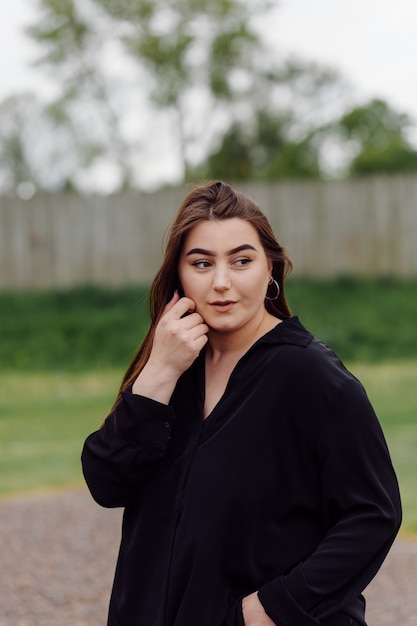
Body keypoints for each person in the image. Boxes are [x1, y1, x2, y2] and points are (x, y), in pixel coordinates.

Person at [81, 180, 401, 626]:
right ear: (177, 274)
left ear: (269, 268)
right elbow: (106, 482)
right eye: (201, 263)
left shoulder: (311, 376)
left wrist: (271, 608)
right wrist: (159, 372)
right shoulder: (174, 369)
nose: (221, 283)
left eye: (241, 260)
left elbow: (373, 514)